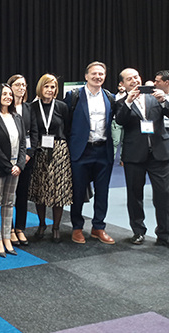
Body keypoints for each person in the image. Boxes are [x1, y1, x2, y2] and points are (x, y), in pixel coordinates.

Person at [115, 68, 169, 247]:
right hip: (133, 155)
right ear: (122, 84)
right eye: (129, 79)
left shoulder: (156, 97)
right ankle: (138, 231)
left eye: (136, 77)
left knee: (163, 194)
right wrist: (128, 102)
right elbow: (120, 120)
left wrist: (164, 102)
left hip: (159, 154)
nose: (134, 81)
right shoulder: (121, 101)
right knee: (134, 195)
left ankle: (164, 233)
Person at [64, 61, 116, 245]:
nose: (98, 77)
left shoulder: (110, 97)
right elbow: (66, 123)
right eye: (94, 73)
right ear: (86, 76)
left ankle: (98, 227)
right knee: (77, 192)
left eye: (101, 74)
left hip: (103, 151)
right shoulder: (74, 96)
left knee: (103, 192)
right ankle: (77, 227)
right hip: (81, 151)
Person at [28, 74, 72, 243]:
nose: (50, 90)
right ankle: (41, 224)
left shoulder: (62, 107)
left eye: (53, 87)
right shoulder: (32, 107)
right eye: (46, 86)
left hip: (59, 151)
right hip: (39, 151)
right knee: (40, 190)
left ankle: (56, 227)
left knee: (58, 191)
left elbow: (68, 128)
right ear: (40, 88)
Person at [0, 84, 26, 257]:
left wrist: (20, 165)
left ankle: (7, 236)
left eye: (10, 94)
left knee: (9, 202)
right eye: (4, 94)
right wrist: (9, 166)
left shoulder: (17, 117)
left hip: (16, 167)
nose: (8, 97)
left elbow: (23, 143)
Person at [7, 74, 37, 246]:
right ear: (10, 87)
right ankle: (9, 229)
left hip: (25, 158)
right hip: (8, 159)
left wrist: (28, 154)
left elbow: (34, 132)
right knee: (8, 196)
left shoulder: (29, 108)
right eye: (17, 85)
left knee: (22, 195)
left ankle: (20, 228)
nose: (21, 88)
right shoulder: (4, 107)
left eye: (24, 85)